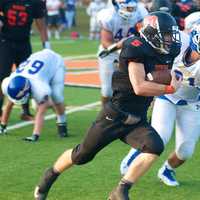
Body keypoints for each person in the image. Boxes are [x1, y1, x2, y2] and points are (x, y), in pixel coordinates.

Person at [33, 11, 182, 200]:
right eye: (167, 34)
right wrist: (169, 88)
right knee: (81, 155)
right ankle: (49, 176)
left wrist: (174, 76)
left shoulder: (167, 51)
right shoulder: (136, 48)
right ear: (152, 33)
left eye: (171, 34)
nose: (171, 39)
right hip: (115, 115)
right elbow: (140, 86)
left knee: (154, 146)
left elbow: (164, 71)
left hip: (137, 119)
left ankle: (121, 190)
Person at [120, 22, 200, 187]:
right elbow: (151, 38)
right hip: (167, 96)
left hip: (192, 103)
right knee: (160, 136)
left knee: (185, 151)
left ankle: (167, 169)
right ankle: (134, 154)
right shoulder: (179, 41)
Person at [0, 49, 68, 141]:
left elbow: (41, 112)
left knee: (56, 95)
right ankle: (52, 105)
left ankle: (62, 122)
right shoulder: (10, 83)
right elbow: (9, 104)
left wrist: (35, 135)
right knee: (42, 103)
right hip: (37, 61)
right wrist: (3, 126)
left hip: (54, 63)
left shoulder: (39, 88)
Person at [0, 0, 50, 121]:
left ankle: (25, 112)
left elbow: (41, 25)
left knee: (27, 77)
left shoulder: (35, 2)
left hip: (24, 43)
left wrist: (47, 48)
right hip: (5, 42)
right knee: (1, 77)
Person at [97, 0, 148, 105]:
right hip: (110, 53)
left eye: (133, 8)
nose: (132, 11)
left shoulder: (141, 13)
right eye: (128, 8)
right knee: (107, 90)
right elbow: (106, 42)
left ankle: (130, 114)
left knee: (133, 86)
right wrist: (120, 48)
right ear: (117, 6)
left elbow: (144, 34)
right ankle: (104, 117)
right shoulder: (108, 16)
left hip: (132, 52)